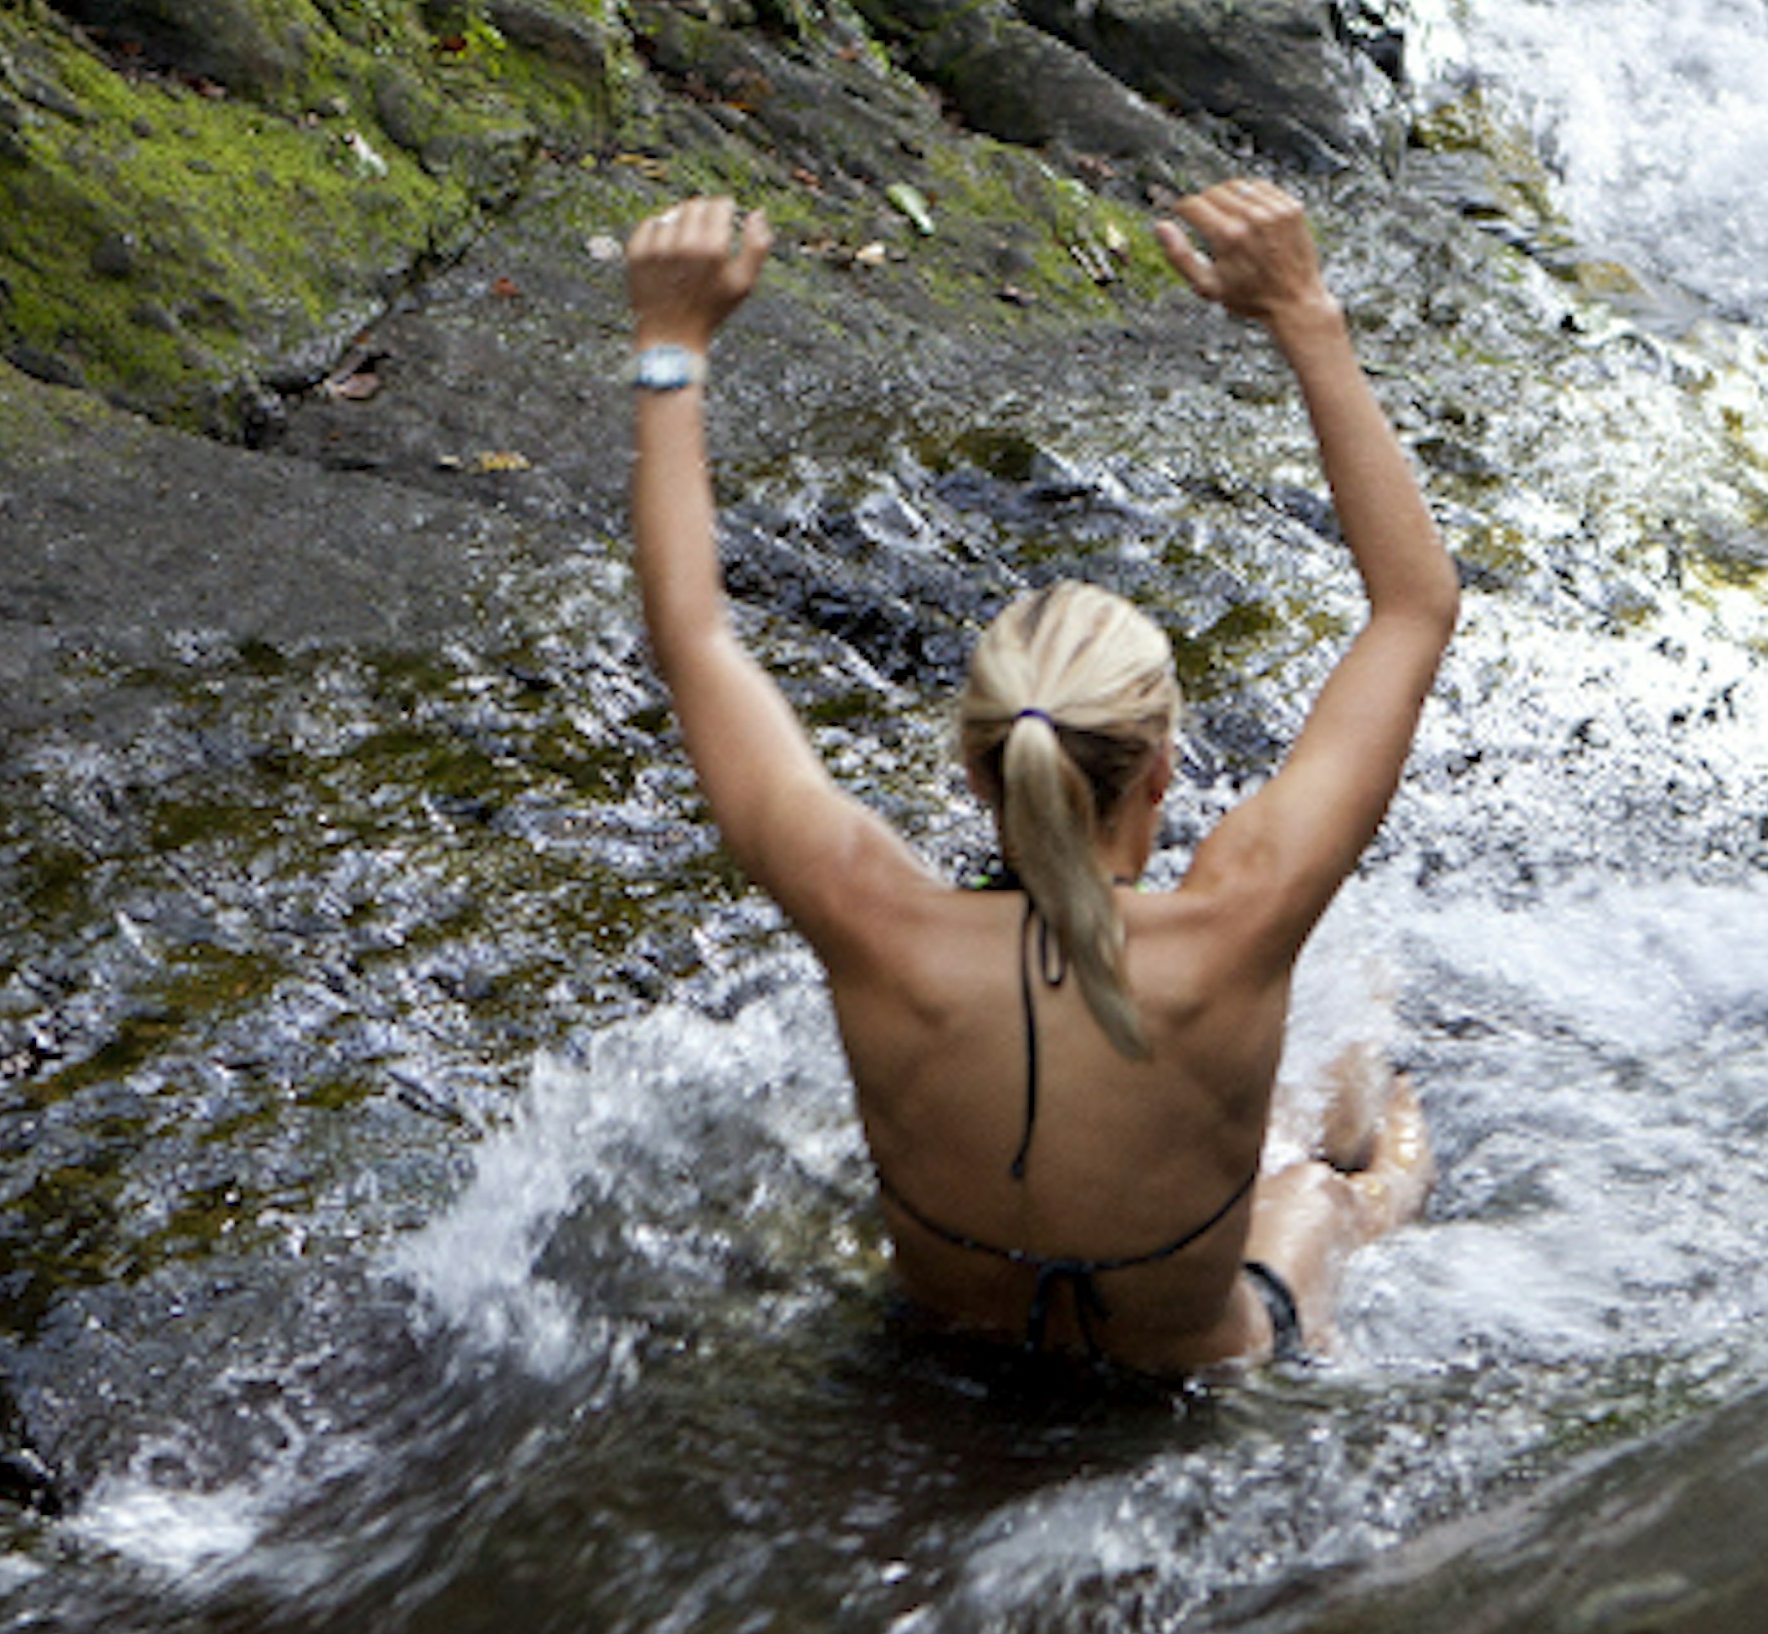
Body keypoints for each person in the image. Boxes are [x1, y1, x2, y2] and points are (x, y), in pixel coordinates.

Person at [621, 177, 1456, 1374]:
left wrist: (669, 348)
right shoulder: (1239, 917)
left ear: (974, 771)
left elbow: (692, 631)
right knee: (1345, 1118)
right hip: (1195, 1363)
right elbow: (1415, 607)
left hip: (948, 1351)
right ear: (1163, 768)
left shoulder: (874, 920)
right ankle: (1388, 1182)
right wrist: (1305, 313)